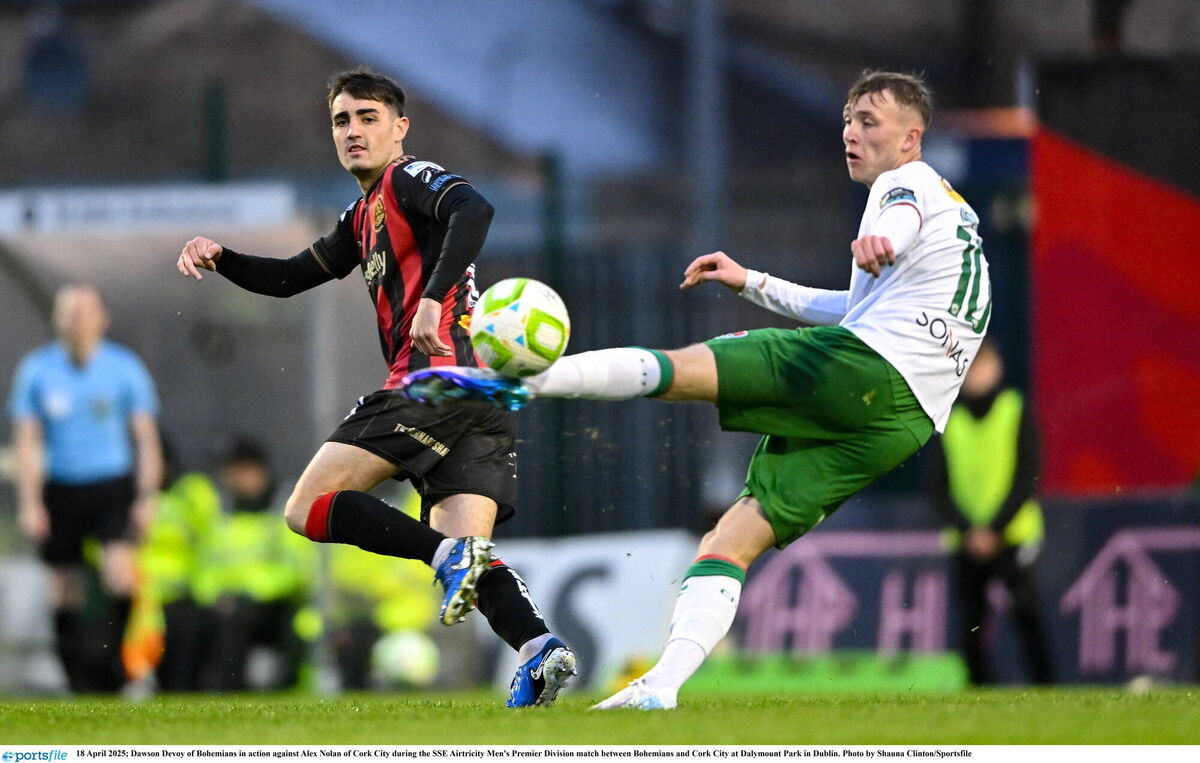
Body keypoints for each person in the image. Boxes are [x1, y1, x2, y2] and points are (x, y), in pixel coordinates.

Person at [404, 70, 993, 709]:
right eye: (847, 119)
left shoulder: (902, 186)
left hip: (870, 368)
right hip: (904, 420)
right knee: (730, 541)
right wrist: (752, 280)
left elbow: (895, 224)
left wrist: (885, 236)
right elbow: (852, 308)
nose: (851, 132)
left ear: (912, 138)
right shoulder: (953, 215)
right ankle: (661, 687)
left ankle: (522, 383)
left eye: (868, 122)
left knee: (684, 369)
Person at [175, 67, 575, 707]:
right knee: (468, 555)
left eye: (367, 117)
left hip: (433, 383)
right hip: (482, 400)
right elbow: (288, 277)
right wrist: (222, 257)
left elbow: (476, 208)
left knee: (306, 509)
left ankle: (447, 561)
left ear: (399, 128)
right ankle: (540, 649)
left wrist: (432, 299)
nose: (354, 131)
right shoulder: (361, 216)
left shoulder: (407, 178)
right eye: (342, 120)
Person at [8, 285, 164, 694]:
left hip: (110, 484)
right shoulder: (38, 371)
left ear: (102, 319)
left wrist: (147, 497)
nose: (77, 321)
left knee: (119, 573)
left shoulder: (124, 368)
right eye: (69, 313)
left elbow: (146, 438)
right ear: (57, 320)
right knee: (63, 585)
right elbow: (27, 441)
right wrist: (30, 503)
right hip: (61, 487)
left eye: (85, 312)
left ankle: (112, 667)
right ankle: (75, 675)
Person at [926, 340, 1052, 685]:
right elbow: (938, 486)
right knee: (970, 622)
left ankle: (1046, 687)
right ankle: (978, 690)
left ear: (996, 368)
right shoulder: (946, 419)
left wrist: (993, 528)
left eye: (983, 366)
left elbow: (1027, 476)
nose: (977, 376)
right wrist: (969, 530)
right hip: (967, 541)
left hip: (1011, 535)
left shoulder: (1015, 410)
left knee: (1026, 616)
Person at [193, 438, 314, 691]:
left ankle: (237, 690)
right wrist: (216, 595)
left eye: (239, 470)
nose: (232, 478)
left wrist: (251, 592)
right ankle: (195, 688)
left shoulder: (285, 506)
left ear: (258, 470)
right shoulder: (220, 510)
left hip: (275, 602)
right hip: (227, 602)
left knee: (244, 621)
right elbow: (205, 565)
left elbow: (295, 569)